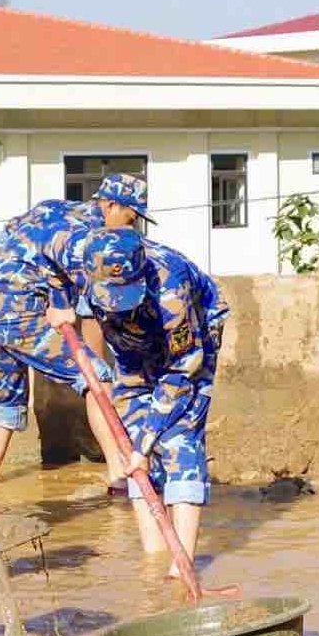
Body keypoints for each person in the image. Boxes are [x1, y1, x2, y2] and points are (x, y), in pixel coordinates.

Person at [0, 172, 151, 489]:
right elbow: (95, 289)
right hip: (20, 314)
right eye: (130, 218)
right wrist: (53, 301)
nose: (129, 228)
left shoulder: (50, 208)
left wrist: (28, 283)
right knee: (97, 376)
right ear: (110, 206)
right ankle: (118, 477)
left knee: (6, 408)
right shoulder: (87, 237)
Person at [71, 226, 230, 569]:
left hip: (190, 342)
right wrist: (137, 447)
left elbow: (181, 370)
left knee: (179, 438)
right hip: (131, 352)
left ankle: (180, 566)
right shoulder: (84, 266)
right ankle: (154, 558)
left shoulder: (171, 291)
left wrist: (147, 445)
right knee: (130, 442)